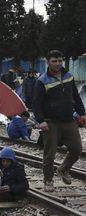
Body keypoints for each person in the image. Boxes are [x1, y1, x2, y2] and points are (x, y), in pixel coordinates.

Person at [32, 50, 86, 192]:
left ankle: (63, 169)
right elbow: (36, 103)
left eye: (60, 61)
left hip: (68, 120)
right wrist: (41, 120)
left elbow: (75, 95)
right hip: (51, 122)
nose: (57, 63)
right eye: (54, 61)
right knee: (50, 154)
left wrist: (82, 113)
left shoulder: (68, 76)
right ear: (48, 62)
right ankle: (48, 180)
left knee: (76, 149)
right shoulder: (42, 81)